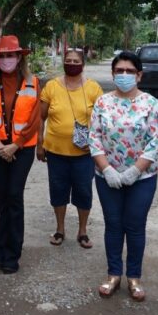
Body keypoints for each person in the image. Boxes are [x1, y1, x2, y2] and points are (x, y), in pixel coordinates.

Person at [89, 51, 158, 301]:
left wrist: (135, 170)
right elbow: (94, 138)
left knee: (134, 225)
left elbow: (155, 141)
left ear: (139, 75)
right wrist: (107, 169)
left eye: (129, 71)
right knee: (113, 224)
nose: (124, 75)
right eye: (119, 71)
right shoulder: (102, 103)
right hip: (106, 176)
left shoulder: (150, 103)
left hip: (142, 178)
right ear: (113, 74)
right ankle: (113, 275)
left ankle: (134, 277)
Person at [0, 35, 41, 274]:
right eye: (2, 56)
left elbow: (35, 119)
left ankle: (12, 254)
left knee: (14, 195)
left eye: (10, 55)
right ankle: (0, 252)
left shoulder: (32, 82)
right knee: (4, 196)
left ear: (19, 57)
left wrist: (15, 145)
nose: (6, 59)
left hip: (22, 148)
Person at [37, 48, 103, 248]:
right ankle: (60, 229)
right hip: (56, 152)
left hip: (84, 154)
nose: (72, 64)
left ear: (83, 64)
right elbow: (41, 118)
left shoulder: (94, 88)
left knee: (84, 192)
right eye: (68, 60)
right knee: (58, 191)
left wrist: (99, 147)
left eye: (76, 61)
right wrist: (39, 144)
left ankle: (82, 231)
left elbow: (102, 121)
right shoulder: (51, 86)